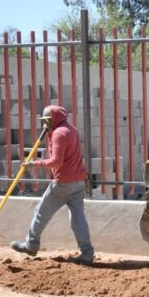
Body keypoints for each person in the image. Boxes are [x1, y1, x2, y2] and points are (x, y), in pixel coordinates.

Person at [11, 105, 95, 266]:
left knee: (41, 212)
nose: (45, 125)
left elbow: (56, 161)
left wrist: (34, 164)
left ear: (54, 119)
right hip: (79, 181)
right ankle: (87, 253)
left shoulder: (59, 134)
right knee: (77, 218)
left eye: (47, 121)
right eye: (43, 121)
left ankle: (31, 244)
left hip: (64, 182)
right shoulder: (72, 130)